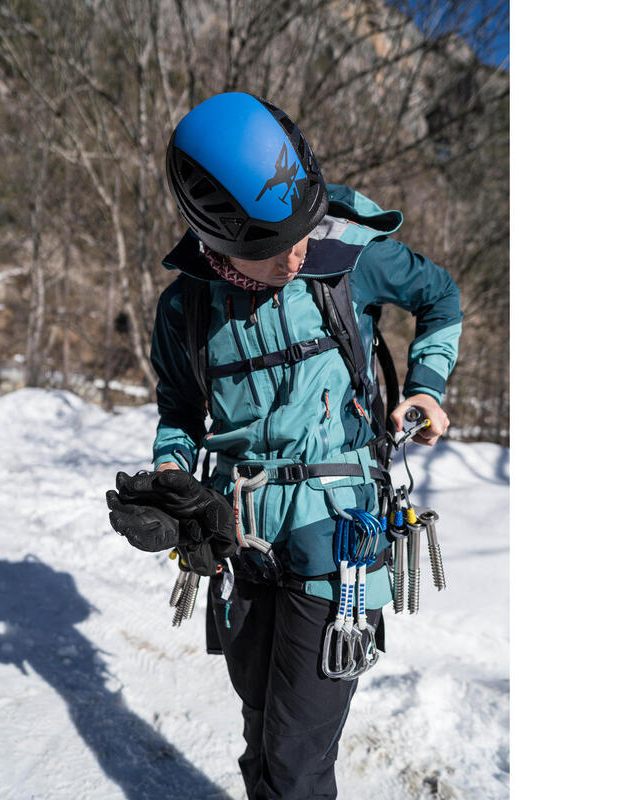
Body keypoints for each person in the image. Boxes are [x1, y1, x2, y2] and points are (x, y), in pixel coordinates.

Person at [112, 92, 461, 799]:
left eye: (302, 231)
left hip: (339, 545)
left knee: (297, 763)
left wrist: (425, 388)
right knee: (260, 733)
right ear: (221, 242)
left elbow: (441, 297)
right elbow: (180, 411)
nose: (298, 253)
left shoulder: (348, 255)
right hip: (241, 545)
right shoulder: (185, 307)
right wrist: (174, 479)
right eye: (274, 250)